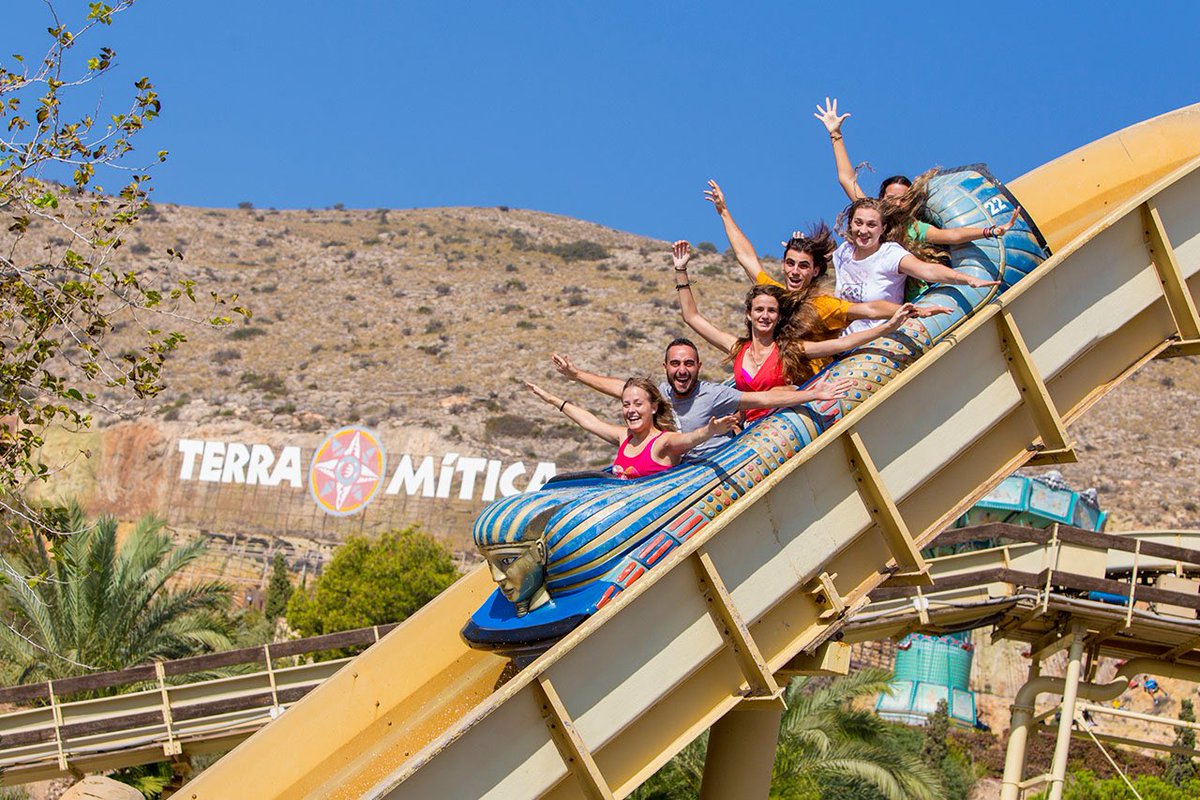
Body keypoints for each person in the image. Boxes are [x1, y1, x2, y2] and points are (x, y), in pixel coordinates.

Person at [671, 240, 923, 422]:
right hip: (749, 428)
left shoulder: (789, 350)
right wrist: (681, 270)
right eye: (759, 310)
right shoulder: (738, 348)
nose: (765, 316)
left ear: (779, 316)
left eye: (771, 311)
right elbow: (692, 317)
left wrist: (889, 325)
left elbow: (842, 344)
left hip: (779, 423)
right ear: (749, 314)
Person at [702, 181, 955, 341]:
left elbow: (869, 309)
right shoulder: (777, 297)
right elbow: (746, 257)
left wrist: (914, 311)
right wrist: (724, 212)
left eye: (803, 266)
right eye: (790, 264)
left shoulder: (824, 305)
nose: (795, 271)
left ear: (815, 271)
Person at [551, 339, 853, 460]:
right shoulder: (661, 394)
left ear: (698, 367)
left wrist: (813, 394)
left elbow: (761, 399)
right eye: (675, 364)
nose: (682, 370)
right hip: (680, 469)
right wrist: (576, 375)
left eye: (688, 364)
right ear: (666, 367)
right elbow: (621, 388)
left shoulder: (714, 394)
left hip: (715, 464)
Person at [813, 97, 1022, 255]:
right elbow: (847, 179)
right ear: (881, 198)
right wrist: (835, 134)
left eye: (903, 199)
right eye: (891, 198)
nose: (896, 203)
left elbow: (951, 235)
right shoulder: (871, 216)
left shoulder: (913, 229)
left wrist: (990, 231)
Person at [833, 197, 999, 334]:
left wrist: (966, 279)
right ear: (850, 224)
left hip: (880, 337)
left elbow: (928, 270)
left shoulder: (889, 254)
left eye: (871, 225)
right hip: (843, 341)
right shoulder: (843, 253)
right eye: (858, 223)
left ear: (883, 228)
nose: (863, 230)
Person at [524, 377, 738, 479]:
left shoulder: (663, 442)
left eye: (638, 404)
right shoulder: (623, 436)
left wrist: (710, 430)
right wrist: (552, 399)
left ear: (653, 407)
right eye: (626, 405)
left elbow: (691, 438)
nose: (631, 410)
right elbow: (590, 422)